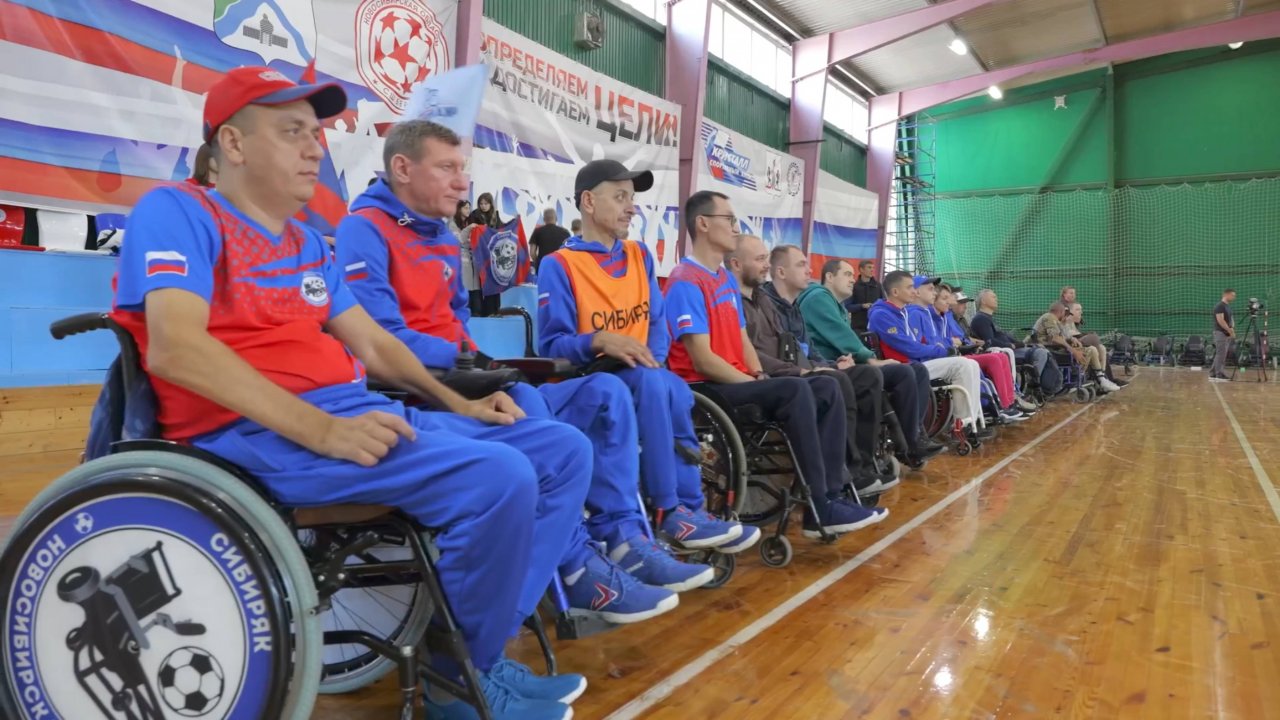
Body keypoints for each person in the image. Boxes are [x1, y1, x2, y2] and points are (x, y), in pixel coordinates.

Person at [110, 68, 585, 719]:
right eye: (293, 132)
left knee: (562, 452)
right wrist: (320, 430)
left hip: (350, 411)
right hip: (251, 436)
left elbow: (376, 345)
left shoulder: (307, 242)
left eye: (317, 133)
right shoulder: (178, 211)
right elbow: (176, 348)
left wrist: (459, 404)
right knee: (500, 476)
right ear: (234, 143)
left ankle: (480, 648)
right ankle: (458, 681)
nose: (316, 149)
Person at [336, 121, 710, 616]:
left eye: (462, 168)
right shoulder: (363, 228)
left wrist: (474, 359)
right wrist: (471, 362)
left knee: (607, 391)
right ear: (402, 168)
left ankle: (623, 536)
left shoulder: (443, 238)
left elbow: (458, 320)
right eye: (448, 168)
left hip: (463, 374)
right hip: (416, 385)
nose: (462, 182)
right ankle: (575, 564)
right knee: (529, 400)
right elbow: (380, 337)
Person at [537, 160, 760, 554]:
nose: (631, 207)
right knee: (657, 384)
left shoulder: (639, 255)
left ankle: (690, 509)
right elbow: (551, 346)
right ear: (588, 201)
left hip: (641, 374)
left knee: (671, 386)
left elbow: (657, 324)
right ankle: (668, 511)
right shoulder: (559, 265)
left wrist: (650, 361)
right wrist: (599, 340)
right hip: (588, 378)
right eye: (620, 197)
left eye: (632, 198)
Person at [664, 191, 888, 538]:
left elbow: (742, 340)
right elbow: (703, 359)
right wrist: (753, 382)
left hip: (739, 380)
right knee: (796, 389)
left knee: (828, 385)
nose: (735, 227)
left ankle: (830, 497)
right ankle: (820, 504)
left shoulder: (724, 279)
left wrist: (759, 374)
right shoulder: (685, 280)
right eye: (729, 219)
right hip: (706, 388)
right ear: (703, 224)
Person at [728, 235, 901, 496]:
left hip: (794, 369)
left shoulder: (771, 302)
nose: (809, 271)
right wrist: (805, 371)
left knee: (866, 376)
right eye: (801, 265)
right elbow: (755, 354)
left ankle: (865, 465)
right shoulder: (740, 301)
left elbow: (797, 347)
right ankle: (846, 473)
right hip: (776, 376)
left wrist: (827, 364)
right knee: (835, 381)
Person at [780, 253, 943, 467]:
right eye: (847, 274)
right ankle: (902, 445)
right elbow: (841, 335)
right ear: (830, 277)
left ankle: (914, 435)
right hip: (829, 365)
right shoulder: (818, 297)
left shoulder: (836, 304)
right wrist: (870, 358)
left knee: (917, 370)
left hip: (842, 362)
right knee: (899, 372)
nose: (852, 280)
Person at [868, 272, 993, 441]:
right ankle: (960, 426)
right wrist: (941, 350)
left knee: (970, 364)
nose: (913, 291)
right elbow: (909, 348)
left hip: (917, 363)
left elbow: (920, 343)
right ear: (895, 292)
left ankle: (969, 421)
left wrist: (940, 348)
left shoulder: (903, 313)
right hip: (906, 365)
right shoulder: (883, 314)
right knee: (962, 365)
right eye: (910, 287)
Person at [928, 283, 1031, 422]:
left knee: (1001, 355)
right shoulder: (940, 316)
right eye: (960, 302)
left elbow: (960, 339)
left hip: (959, 352)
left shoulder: (949, 318)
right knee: (995, 357)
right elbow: (943, 341)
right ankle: (998, 405)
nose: (964, 306)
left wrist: (963, 342)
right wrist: (955, 343)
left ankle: (1009, 400)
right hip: (949, 356)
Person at [970, 289, 1062, 396]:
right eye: (993, 297)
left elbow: (1004, 337)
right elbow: (990, 341)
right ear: (983, 301)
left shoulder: (988, 318)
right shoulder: (980, 319)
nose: (996, 299)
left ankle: (1041, 385)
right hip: (1001, 352)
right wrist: (1011, 345)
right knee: (1041, 353)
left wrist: (1025, 344)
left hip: (1009, 349)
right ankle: (1032, 387)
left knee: (1041, 349)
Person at [1033, 302, 1119, 394]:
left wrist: (1071, 339)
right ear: (1061, 312)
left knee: (1092, 349)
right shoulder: (1049, 317)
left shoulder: (1055, 320)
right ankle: (1090, 379)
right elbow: (1055, 338)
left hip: (1054, 349)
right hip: (1049, 351)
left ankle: (1099, 379)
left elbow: (1062, 336)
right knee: (1090, 350)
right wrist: (1073, 350)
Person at [1060, 286, 1127, 386]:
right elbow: (1064, 333)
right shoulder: (1061, 310)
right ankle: (1103, 379)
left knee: (1101, 348)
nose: (1073, 295)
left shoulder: (1072, 309)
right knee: (1094, 340)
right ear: (1064, 294)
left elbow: (1076, 327)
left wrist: (1079, 321)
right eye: (1070, 293)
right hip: (1069, 343)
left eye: (1074, 293)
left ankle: (1104, 377)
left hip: (1076, 338)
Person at [450, 200, 484, 316]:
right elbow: (459, 240)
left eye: (469, 208)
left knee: (475, 288)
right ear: (458, 209)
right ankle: (465, 311)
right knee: (465, 285)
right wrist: (468, 229)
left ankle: (477, 312)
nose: (468, 210)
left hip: (473, 259)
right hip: (460, 259)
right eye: (465, 208)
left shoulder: (471, 221)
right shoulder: (452, 223)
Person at [845, 259, 880, 332]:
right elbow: (847, 307)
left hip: (876, 327)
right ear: (861, 270)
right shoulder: (854, 287)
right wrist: (862, 306)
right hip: (858, 328)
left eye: (873, 268)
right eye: (869, 267)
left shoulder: (878, 286)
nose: (872, 270)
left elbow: (885, 303)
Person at [1211, 289, 1237, 381]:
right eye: (1232, 295)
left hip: (1226, 333)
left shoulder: (1227, 307)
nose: (1234, 297)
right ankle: (1219, 374)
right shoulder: (1220, 306)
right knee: (1221, 354)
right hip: (1221, 333)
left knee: (1221, 354)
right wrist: (1229, 330)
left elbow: (1230, 319)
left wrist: (1232, 329)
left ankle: (1213, 373)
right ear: (1226, 294)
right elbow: (1220, 320)